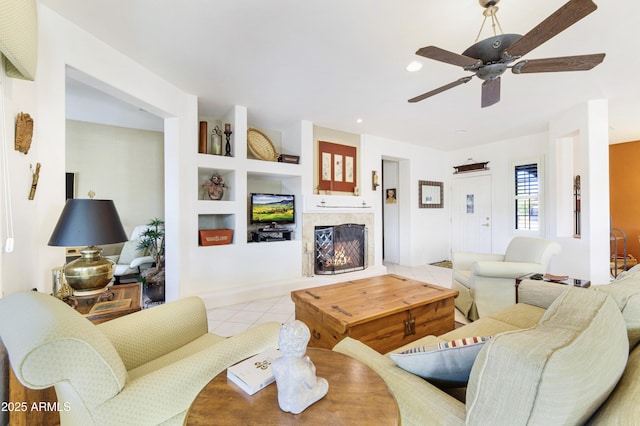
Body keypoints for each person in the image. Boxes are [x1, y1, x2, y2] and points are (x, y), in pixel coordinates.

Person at [272, 321, 329, 414]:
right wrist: (312, 369)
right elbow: (312, 385)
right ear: (302, 346)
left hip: (282, 403)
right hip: (298, 405)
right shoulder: (303, 368)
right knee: (324, 383)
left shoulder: (276, 364)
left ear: (281, 342)